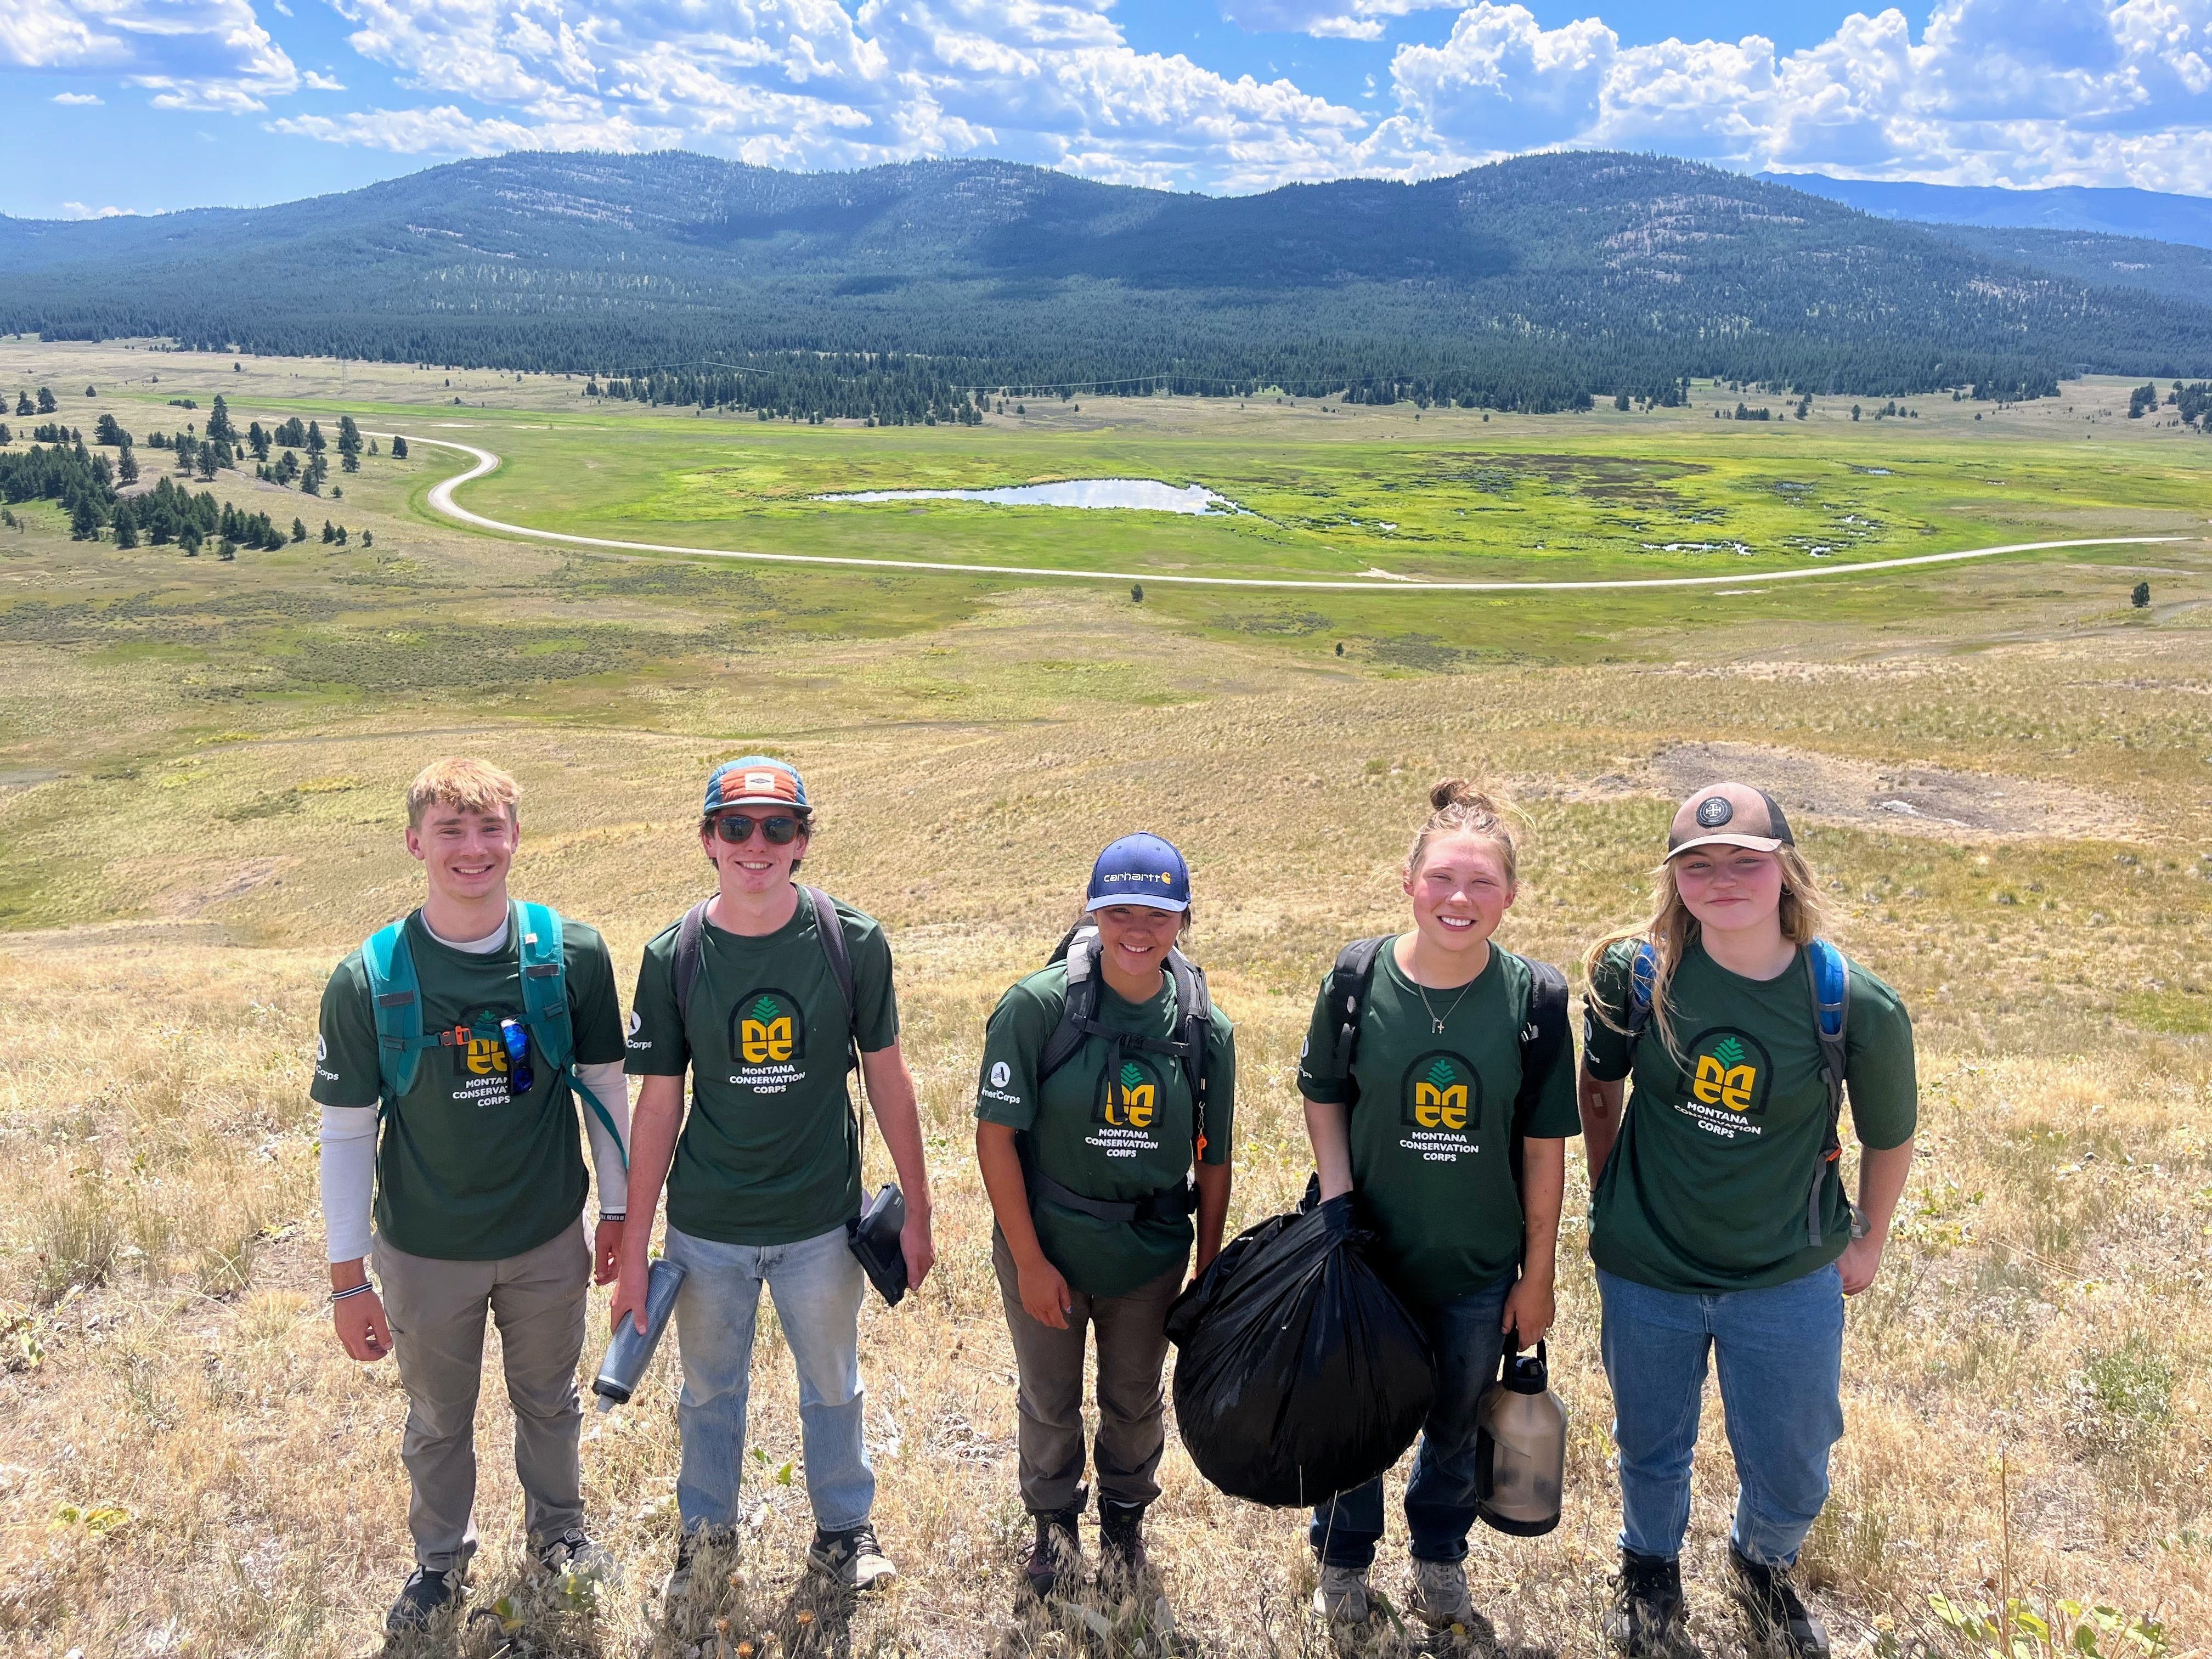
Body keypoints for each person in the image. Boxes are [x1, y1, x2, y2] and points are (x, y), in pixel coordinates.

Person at [1579, 783, 1918, 1659]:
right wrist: (1609, 1186)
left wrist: (1869, 1240)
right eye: (1698, 864)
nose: (1721, 879)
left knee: (1798, 1461)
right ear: (1675, 879)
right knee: (1650, 1445)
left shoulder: (1852, 1002)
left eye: (1745, 862)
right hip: (1647, 1266)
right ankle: (1650, 1567)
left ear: (1786, 871)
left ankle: (1761, 1562)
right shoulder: (1639, 972)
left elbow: (1891, 1135)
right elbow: (1598, 1084)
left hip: (1785, 1272)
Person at [314, 758, 631, 1633]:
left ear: (517, 838)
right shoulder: (369, 978)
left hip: (545, 1238)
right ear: (415, 842)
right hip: (423, 1251)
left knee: (550, 1400)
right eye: (450, 830)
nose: (472, 849)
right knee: (438, 1417)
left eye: (490, 828)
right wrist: (348, 1278)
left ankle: (560, 1538)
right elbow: (345, 1134)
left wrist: (617, 1213)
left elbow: (606, 1085)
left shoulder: (572, 956)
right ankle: (439, 1564)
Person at [615, 756, 935, 1601]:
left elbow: (887, 1078)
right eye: (737, 827)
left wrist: (920, 1210)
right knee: (708, 1391)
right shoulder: (674, 954)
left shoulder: (851, 941)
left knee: (833, 1382)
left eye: (778, 827)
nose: (756, 845)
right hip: (707, 1222)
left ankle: (843, 1534)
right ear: (707, 840)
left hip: (822, 1221)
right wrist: (634, 1245)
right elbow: (656, 1109)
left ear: (802, 841)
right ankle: (706, 1544)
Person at [1298, 779, 1581, 1632]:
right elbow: (1323, 1097)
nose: (1460, 900)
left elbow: (1542, 1148)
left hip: (1476, 1270)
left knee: (1456, 1426)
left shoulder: (1533, 1002)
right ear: (1409, 881)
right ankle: (1344, 1562)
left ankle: (1438, 1559)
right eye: (1443, 880)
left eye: (1482, 884)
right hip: (1370, 1261)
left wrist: (1537, 1276)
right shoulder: (1356, 979)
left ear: (1510, 896)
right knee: (1356, 1419)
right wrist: (1340, 1204)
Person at [975, 833, 1235, 1603]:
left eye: (1159, 914)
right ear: (1092, 912)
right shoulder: (1036, 1007)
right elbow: (996, 1137)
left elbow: (1213, 1159)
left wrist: (1208, 1266)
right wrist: (1028, 1260)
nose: (1139, 929)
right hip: (1047, 1244)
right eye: (1120, 909)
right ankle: (1052, 1531)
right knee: (1048, 1400)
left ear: (1184, 920)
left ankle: (1125, 1523)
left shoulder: (1202, 1030)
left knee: (1135, 1399)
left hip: (1148, 1257)